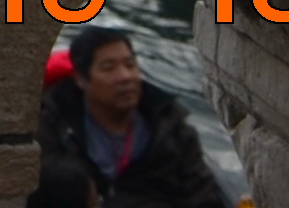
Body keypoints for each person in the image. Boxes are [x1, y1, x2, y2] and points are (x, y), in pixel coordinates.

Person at [30, 24, 222, 208]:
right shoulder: (54, 123)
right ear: (81, 79)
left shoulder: (171, 127)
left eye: (130, 65)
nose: (125, 76)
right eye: (108, 68)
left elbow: (201, 195)